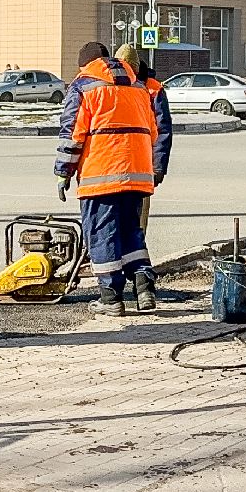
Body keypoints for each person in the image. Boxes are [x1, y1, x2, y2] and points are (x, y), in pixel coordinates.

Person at [55, 42, 161, 316]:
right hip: (137, 175)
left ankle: (111, 298)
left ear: (85, 65)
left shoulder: (84, 86)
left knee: (102, 235)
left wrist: (63, 172)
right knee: (130, 231)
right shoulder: (138, 87)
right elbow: (153, 131)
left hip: (101, 175)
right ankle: (145, 289)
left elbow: (73, 134)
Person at [114, 43, 173, 233]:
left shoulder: (152, 89)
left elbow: (163, 131)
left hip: (143, 168)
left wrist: (158, 167)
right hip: (115, 166)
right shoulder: (111, 85)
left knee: (137, 225)